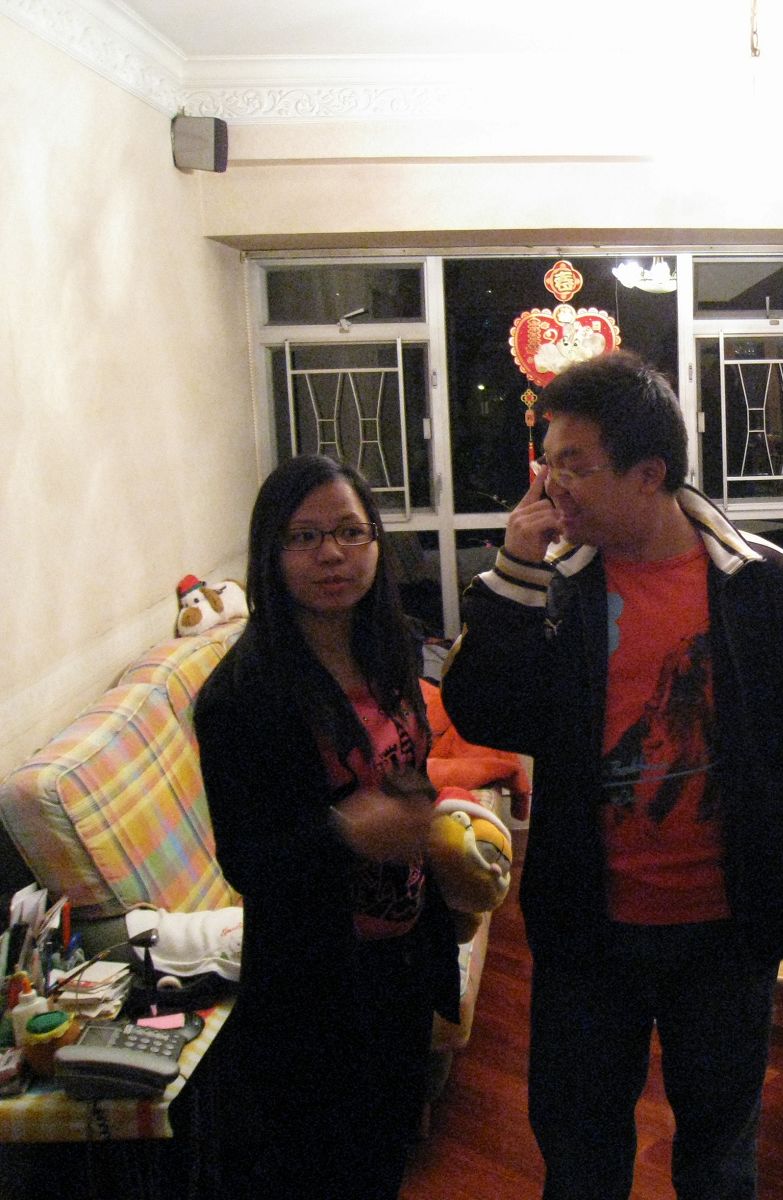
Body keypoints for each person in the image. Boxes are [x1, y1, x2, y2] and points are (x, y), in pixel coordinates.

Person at [440, 350, 783, 1200]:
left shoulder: (761, 583)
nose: (552, 487)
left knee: (719, 1156)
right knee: (579, 1155)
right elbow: (483, 712)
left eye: (575, 466)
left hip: (727, 927)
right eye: (547, 463)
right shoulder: (556, 586)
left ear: (649, 473)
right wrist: (515, 573)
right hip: (588, 930)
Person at [194, 455, 460, 1200]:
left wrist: (437, 818)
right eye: (305, 536)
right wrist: (346, 831)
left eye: (350, 531)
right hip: (317, 987)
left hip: (404, 958)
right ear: (271, 554)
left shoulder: (391, 647)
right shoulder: (239, 697)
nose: (333, 554)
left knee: (386, 1159)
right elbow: (246, 860)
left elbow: (405, 770)